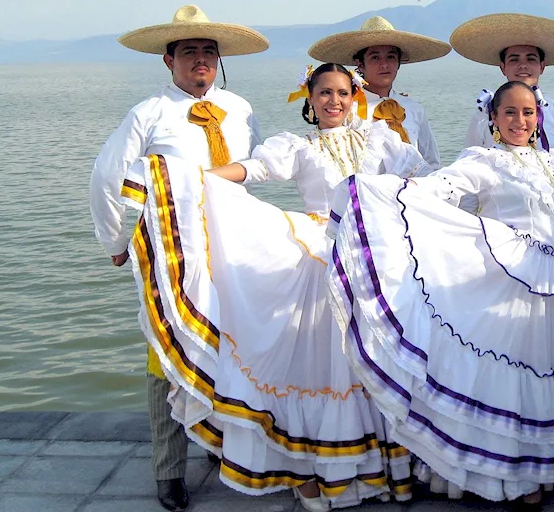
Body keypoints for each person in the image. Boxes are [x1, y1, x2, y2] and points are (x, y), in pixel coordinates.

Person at [118, 63, 432, 511]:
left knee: (368, 360)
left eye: (343, 92)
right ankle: (309, 469)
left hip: (373, 257)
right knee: (320, 366)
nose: (334, 102)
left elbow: (422, 174)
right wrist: (191, 180)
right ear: (310, 98)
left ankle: (372, 469)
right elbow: (252, 169)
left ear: (355, 96)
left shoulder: (381, 138)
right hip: (320, 254)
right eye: (324, 93)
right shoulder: (298, 146)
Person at [327, 81, 554, 509]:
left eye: (527, 113)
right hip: (503, 277)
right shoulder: (484, 162)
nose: (519, 121)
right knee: (510, 374)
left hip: (552, 280)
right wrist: (382, 192)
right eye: (509, 112)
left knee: (549, 370)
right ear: (492, 118)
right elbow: (439, 189)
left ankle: (545, 466)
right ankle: (512, 475)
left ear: (539, 116)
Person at [88, 4, 268, 512]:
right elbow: (107, 174)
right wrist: (115, 241)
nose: (200, 61)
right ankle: (169, 471)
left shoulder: (240, 108)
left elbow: (255, 169)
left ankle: (220, 444)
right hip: (169, 252)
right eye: (189, 52)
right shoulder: (149, 112)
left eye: (208, 51)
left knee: (229, 344)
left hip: (230, 246)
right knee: (166, 354)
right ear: (168, 60)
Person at [452, 13, 554, 272]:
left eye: (531, 59)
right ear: (502, 67)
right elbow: (468, 176)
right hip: (498, 236)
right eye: (514, 59)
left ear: (543, 66)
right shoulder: (483, 116)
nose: (523, 66)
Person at [308, 16, 450, 170]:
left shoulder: (414, 109)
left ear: (398, 63)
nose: (384, 64)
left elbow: (431, 160)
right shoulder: (347, 110)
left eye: (391, 57)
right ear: (360, 64)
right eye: (375, 57)